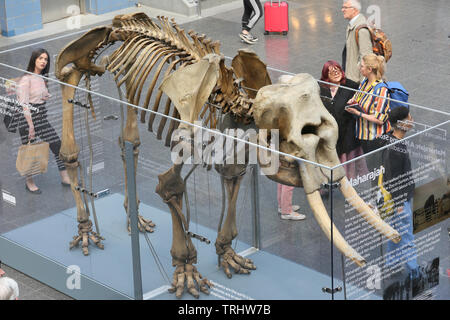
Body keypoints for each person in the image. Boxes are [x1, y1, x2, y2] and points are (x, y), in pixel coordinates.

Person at [16, 48, 71, 194]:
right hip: (27, 120)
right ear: (34, 59)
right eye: (40, 58)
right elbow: (24, 104)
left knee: (56, 144)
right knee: (30, 151)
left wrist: (45, 96)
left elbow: (40, 94)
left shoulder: (42, 77)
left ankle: (65, 177)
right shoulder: (25, 79)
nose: (43, 61)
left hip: (41, 117)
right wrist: (31, 126)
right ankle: (29, 182)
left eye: (45, 59)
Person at [378, 106, 420, 282]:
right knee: (406, 234)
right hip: (400, 199)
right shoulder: (396, 148)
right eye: (409, 116)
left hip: (395, 199)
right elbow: (396, 180)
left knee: (394, 231)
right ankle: (414, 271)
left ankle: (391, 264)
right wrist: (401, 204)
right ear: (402, 123)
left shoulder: (388, 139)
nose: (412, 118)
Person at [319, 60, 368, 179]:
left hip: (346, 133)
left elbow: (359, 107)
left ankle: (348, 184)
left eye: (338, 70)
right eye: (331, 72)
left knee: (348, 164)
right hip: (328, 134)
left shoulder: (351, 86)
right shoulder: (320, 87)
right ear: (326, 75)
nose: (336, 73)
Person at [345, 54, 391, 158]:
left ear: (369, 69)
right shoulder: (365, 82)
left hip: (375, 138)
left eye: (361, 66)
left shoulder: (381, 90)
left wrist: (358, 113)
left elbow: (380, 119)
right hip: (363, 135)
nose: (359, 68)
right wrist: (352, 101)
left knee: (375, 167)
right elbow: (357, 96)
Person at [341, 0, 373, 82]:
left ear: (354, 9)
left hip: (356, 80)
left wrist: (363, 84)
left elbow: (366, 57)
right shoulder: (352, 25)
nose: (342, 10)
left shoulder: (361, 29)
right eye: (342, 7)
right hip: (350, 76)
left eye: (345, 7)